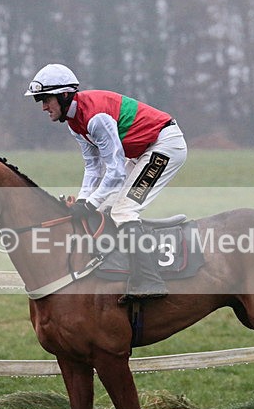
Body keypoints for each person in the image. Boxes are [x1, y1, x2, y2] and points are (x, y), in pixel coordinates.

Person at [25, 63, 187, 303]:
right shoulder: (74, 124)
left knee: (124, 210)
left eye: (46, 99)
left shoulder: (95, 118)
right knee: (105, 209)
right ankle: (117, 272)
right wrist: (83, 200)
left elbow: (115, 171)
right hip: (141, 151)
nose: (43, 107)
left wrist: (89, 203)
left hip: (165, 146)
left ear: (65, 95)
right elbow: (93, 167)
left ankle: (150, 280)